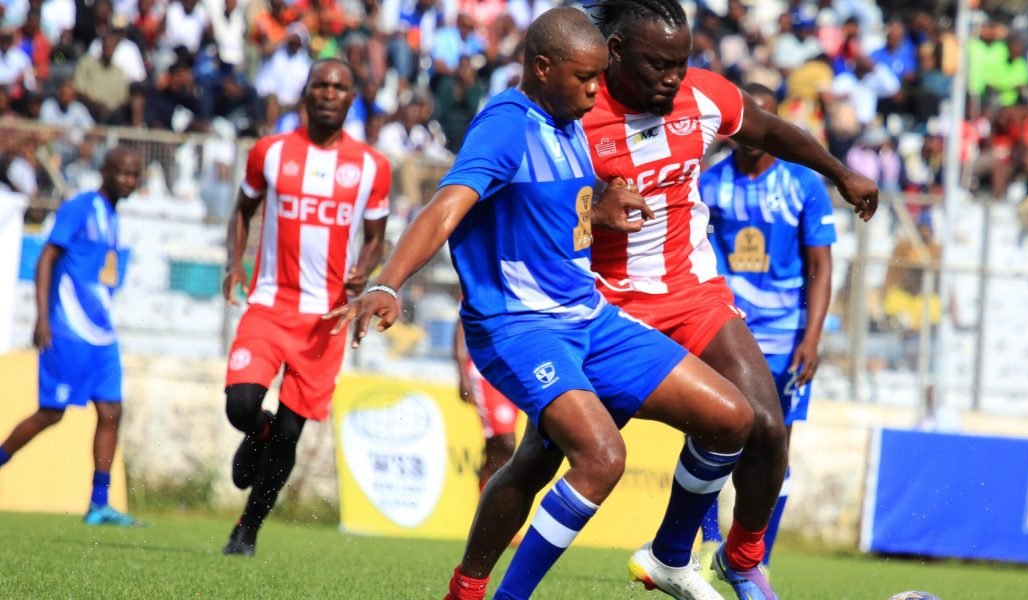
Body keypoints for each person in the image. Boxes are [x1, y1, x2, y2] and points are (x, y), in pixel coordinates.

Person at [447, 2, 878, 599]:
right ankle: (469, 583)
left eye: (681, 62)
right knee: (543, 460)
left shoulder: (701, 97)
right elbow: (534, 200)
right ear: (616, 53)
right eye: (658, 64)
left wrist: (839, 172)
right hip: (602, 304)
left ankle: (721, 558)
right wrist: (597, 206)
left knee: (765, 425)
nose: (673, 77)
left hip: (692, 290)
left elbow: (769, 129)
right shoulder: (574, 111)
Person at [326, 9, 751, 599]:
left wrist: (599, 208)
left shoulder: (567, 118)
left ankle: (666, 557)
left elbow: (550, 205)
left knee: (732, 416)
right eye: (585, 79)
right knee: (601, 458)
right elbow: (447, 206)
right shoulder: (506, 124)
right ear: (543, 68)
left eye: (600, 77)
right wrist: (388, 281)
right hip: (520, 327)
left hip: (588, 316)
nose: (595, 91)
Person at [219, 58, 390, 557]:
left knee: (290, 437)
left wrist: (365, 268)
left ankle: (248, 529)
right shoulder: (270, 152)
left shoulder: (371, 167)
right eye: (321, 84)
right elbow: (242, 212)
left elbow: (377, 238)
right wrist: (234, 263)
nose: (329, 93)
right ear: (306, 93)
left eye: (340, 86)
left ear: (351, 97)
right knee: (241, 405)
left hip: (326, 319)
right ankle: (257, 432)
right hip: (270, 304)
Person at [696, 83, 838, 574]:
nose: (751, 128)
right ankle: (705, 547)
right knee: (711, 436)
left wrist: (812, 338)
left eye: (763, 117)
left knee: (774, 448)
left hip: (784, 341)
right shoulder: (710, 183)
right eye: (744, 117)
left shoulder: (803, 185)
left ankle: (756, 561)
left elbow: (821, 264)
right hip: (724, 331)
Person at [0, 147, 142, 527]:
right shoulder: (81, 207)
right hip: (68, 329)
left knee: (112, 412)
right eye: (124, 172)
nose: (130, 180)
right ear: (106, 171)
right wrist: (41, 316)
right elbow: (47, 257)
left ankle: (99, 503)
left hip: (101, 334)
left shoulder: (112, 216)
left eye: (135, 174)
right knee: (52, 412)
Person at [453, 318, 517, 490]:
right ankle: (488, 511)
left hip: (514, 372)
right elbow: (461, 322)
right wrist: (462, 374)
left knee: (496, 451)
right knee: (506, 443)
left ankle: (489, 510)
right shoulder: (486, 290)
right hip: (485, 372)